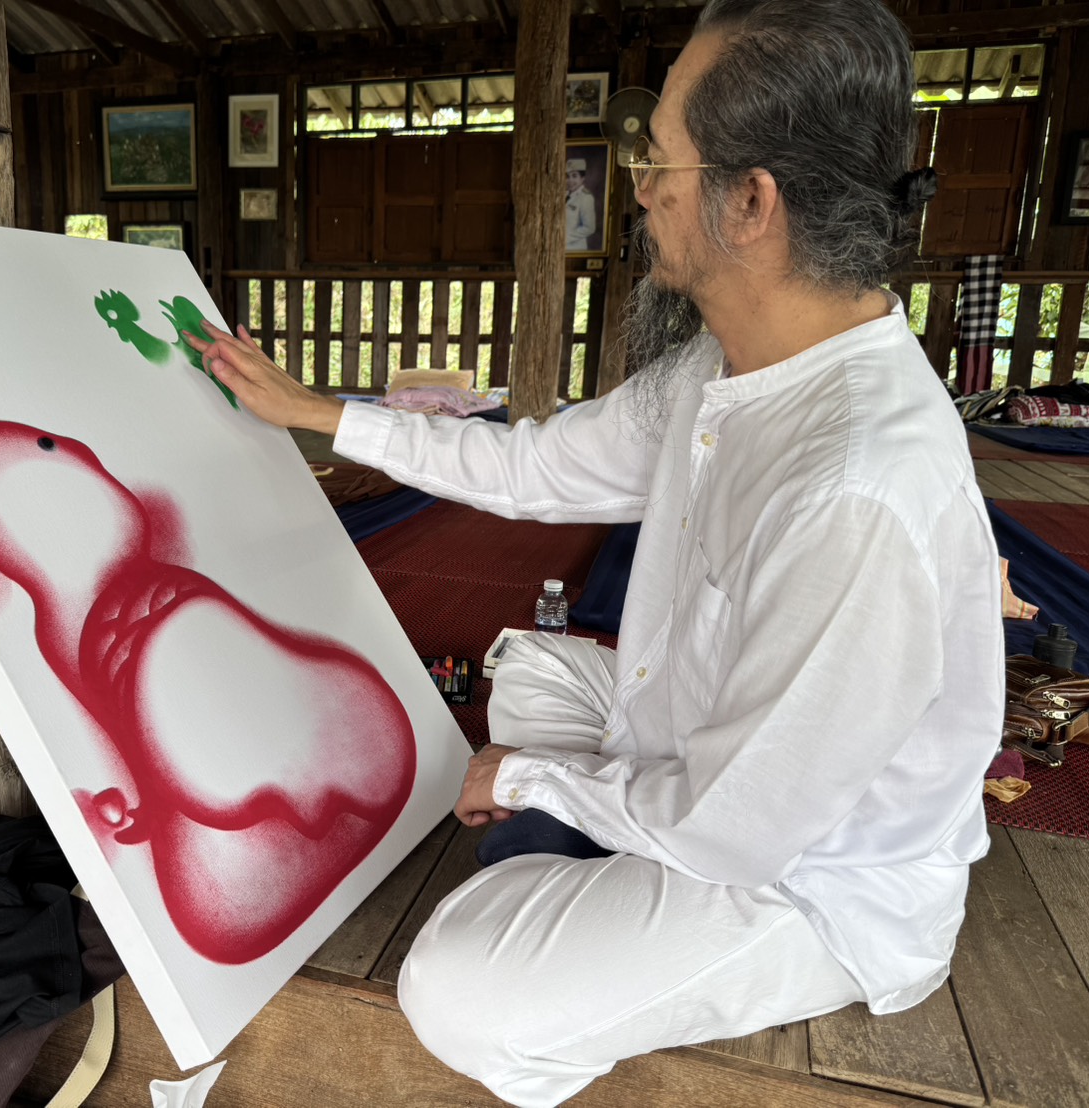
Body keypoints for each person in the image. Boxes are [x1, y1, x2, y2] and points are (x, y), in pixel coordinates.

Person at [185, 1, 1003, 1104]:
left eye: (658, 158)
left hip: (807, 875)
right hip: (713, 762)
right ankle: (583, 849)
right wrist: (321, 414)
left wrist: (527, 777)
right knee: (529, 662)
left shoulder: (853, 483)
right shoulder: (727, 364)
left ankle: (576, 863)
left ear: (750, 203)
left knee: (459, 984)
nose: (640, 187)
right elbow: (535, 469)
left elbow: (738, 826)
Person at [564, 157, 597, 251]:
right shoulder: (564, 194)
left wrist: (564, 237)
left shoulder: (586, 198)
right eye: (567, 176)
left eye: (574, 176)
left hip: (576, 249)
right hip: (559, 247)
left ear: (582, 178)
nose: (570, 180)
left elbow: (589, 227)